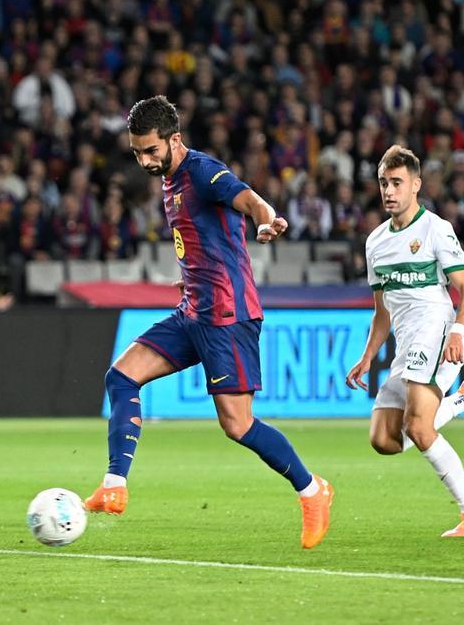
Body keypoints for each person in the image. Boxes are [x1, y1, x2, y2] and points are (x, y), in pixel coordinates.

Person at [84, 96, 335, 549]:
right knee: (121, 376)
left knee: (237, 425)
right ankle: (114, 485)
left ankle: (313, 490)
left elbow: (247, 197)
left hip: (227, 316)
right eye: (137, 152)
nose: (143, 161)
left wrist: (266, 220)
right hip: (193, 312)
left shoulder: (201, 170)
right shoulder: (168, 178)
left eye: (151, 151)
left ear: (174, 140)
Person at [345, 145, 464, 538]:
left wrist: (458, 330)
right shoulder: (375, 243)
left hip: (436, 330)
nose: (389, 191)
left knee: (419, 428)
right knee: (384, 440)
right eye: (384, 183)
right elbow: (382, 311)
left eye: (397, 183)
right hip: (407, 343)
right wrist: (368, 356)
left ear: (416, 185)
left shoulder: (436, 229)